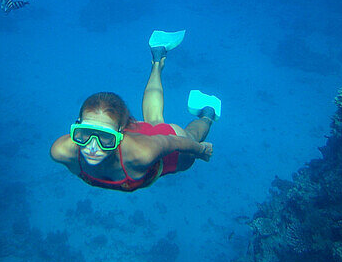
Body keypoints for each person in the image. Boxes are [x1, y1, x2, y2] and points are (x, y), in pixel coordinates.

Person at [50, 30, 222, 192]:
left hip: (163, 150)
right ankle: (157, 58)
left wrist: (200, 150)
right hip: (136, 138)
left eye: (105, 138)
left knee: (187, 140)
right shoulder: (61, 151)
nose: (92, 147)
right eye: (84, 134)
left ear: (120, 133)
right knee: (154, 119)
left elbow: (175, 142)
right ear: (76, 127)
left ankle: (208, 112)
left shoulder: (143, 153)